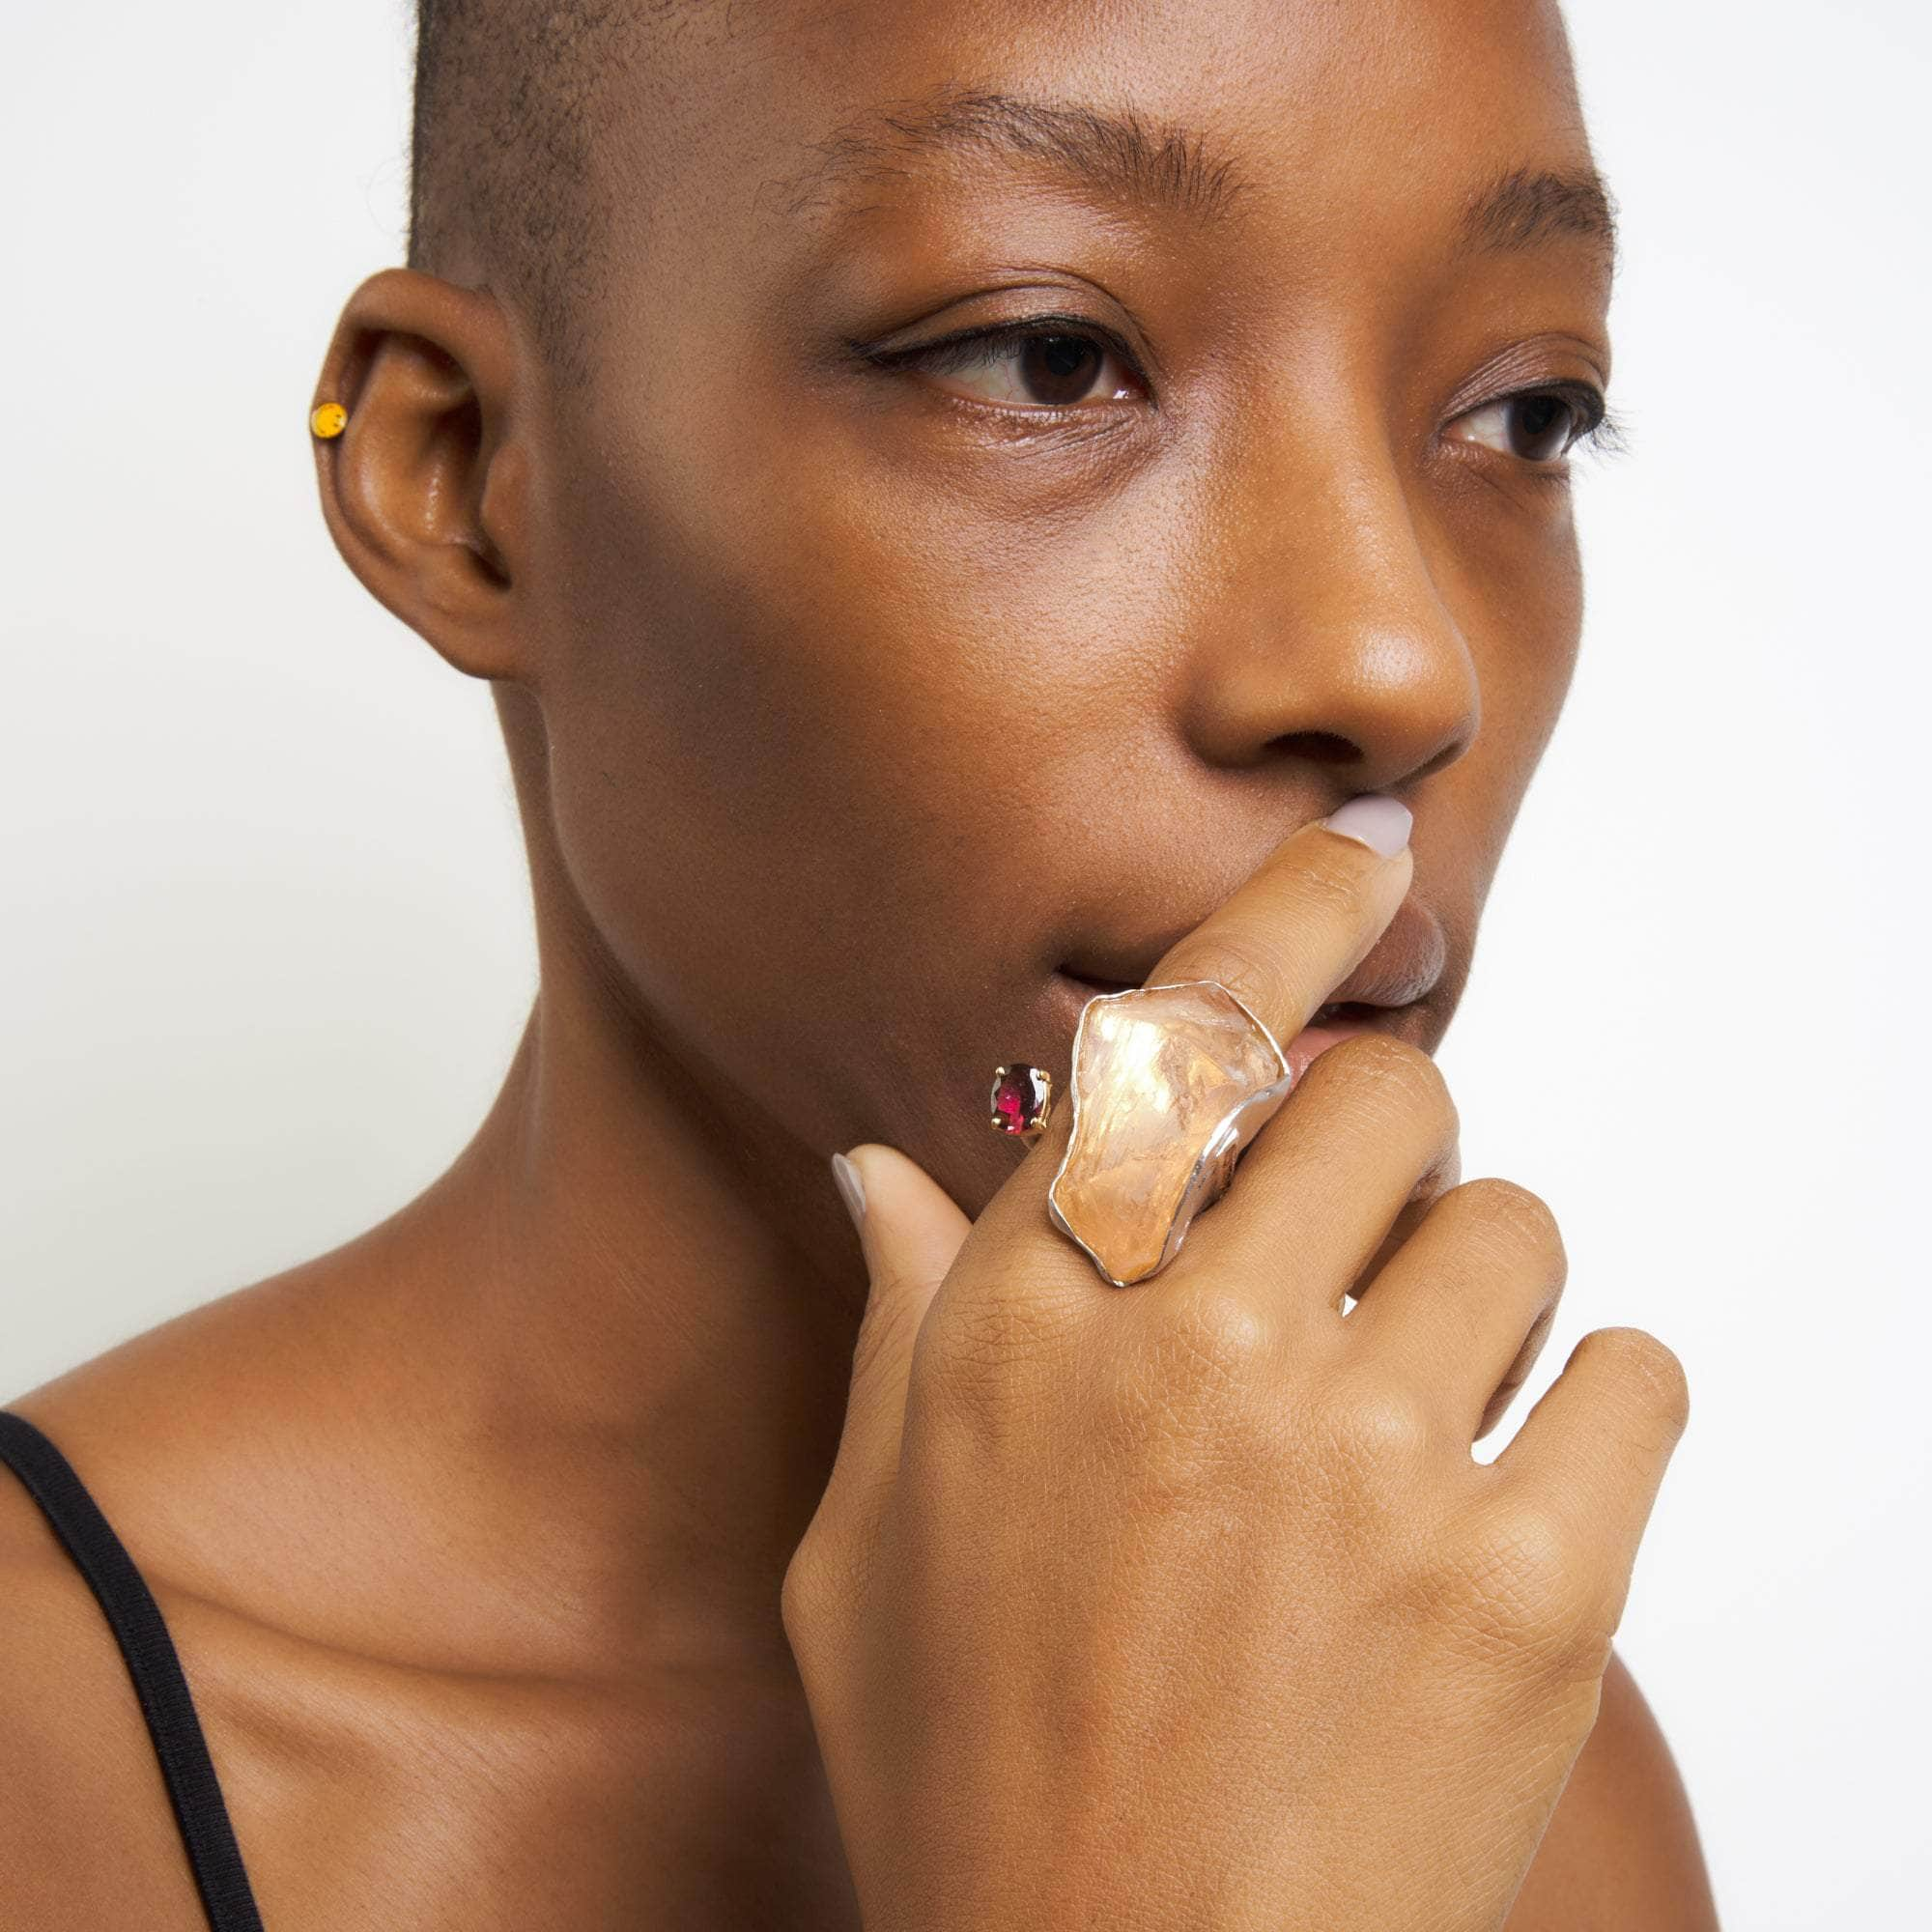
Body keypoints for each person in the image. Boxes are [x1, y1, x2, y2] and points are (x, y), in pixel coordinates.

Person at [0, 0, 1720, 1925]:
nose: (1397, 665)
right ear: (468, 473)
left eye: (1526, 413)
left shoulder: (1493, 1767)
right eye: (1051, 359)